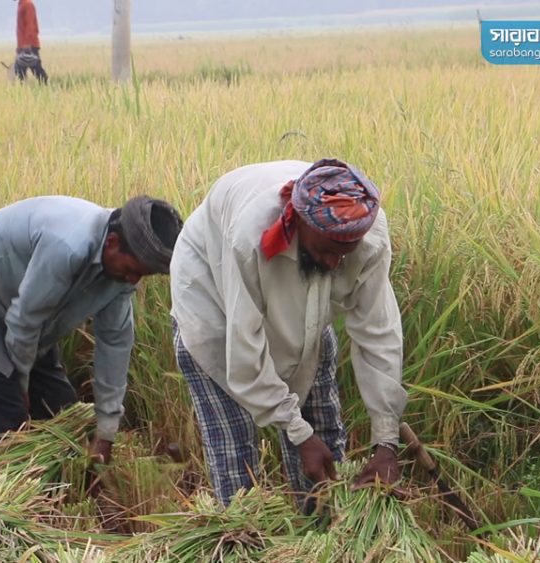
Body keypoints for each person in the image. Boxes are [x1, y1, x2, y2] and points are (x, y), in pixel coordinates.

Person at [169, 159, 408, 507]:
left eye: (344, 253)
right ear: (298, 221)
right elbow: (244, 350)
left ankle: (324, 533)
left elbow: (379, 333)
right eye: (326, 249)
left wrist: (385, 443)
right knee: (237, 459)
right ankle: (243, 543)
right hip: (217, 312)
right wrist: (297, 433)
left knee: (324, 440)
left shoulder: (366, 234)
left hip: (305, 315)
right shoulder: (250, 236)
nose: (332, 264)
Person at [0, 195, 183, 463]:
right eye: (132, 270)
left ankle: (64, 484)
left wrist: (106, 433)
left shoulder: (122, 276)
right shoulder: (68, 245)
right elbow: (24, 323)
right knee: (6, 426)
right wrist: (19, 388)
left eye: (142, 275)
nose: (133, 280)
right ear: (112, 243)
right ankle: (2, 487)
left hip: (31, 312)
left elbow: (115, 345)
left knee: (62, 412)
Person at [14, 0, 48, 84]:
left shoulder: (28, 4)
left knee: (35, 70)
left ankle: (45, 87)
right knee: (20, 71)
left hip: (29, 45)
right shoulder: (22, 4)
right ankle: (25, 92)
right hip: (23, 45)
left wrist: (27, 44)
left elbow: (30, 25)